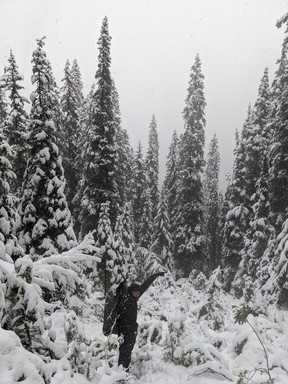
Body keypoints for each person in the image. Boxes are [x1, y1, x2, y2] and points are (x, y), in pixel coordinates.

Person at [115, 272, 165, 371]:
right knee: (124, 352)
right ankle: (122, 372)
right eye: (135, 292)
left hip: (131, 331)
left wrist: (155, 275)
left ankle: (124, 370)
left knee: (128, 352)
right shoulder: (126, 301)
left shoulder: (134, 298)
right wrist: (125, 330)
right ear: (131, 291)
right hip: (125, 332)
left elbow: (145, 285)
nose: (137, 294)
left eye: (138, 292)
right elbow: (119, 318)